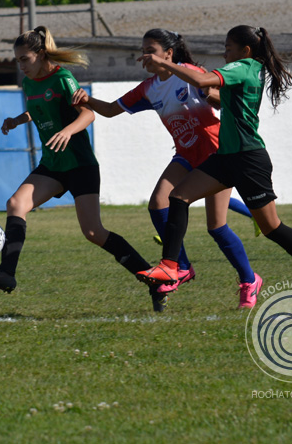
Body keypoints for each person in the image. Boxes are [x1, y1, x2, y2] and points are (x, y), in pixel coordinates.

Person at [135, 25, 292, 302]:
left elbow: (205, 80)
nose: (224, 52)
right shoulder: (243, 69)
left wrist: (163, 63)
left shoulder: (246, 67)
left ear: (246, 50)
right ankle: (171, 266)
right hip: (226, 157)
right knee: (178, 197)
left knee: (271, 228)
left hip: (249, 159)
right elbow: (213, 94)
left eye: (228, 47)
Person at [0, 26, 160, 309]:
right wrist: (16, 120)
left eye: (25, 59)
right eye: (18, 60)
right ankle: (6, 274)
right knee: (16, 204)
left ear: (41, 54)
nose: (21, 65)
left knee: (94, 232)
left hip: (80, 165)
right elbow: (39, 109)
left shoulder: (62, 77)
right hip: (53, 163)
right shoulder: (29, 84)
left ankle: (154, 281)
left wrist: (68, 131)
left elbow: (88, 113)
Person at [72, 29, 261, 308]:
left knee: (216, 227)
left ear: (168, 54)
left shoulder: (189, 73)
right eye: (143, 49)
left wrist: (212, 97)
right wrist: (85, 99)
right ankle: (180, 267)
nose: (143, 56)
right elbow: (112, 110)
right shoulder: (148, 87)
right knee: (158, 203)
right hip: (186, 155)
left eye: (150, 50)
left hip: (217, 153)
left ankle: (249, 280)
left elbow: (226, 102)